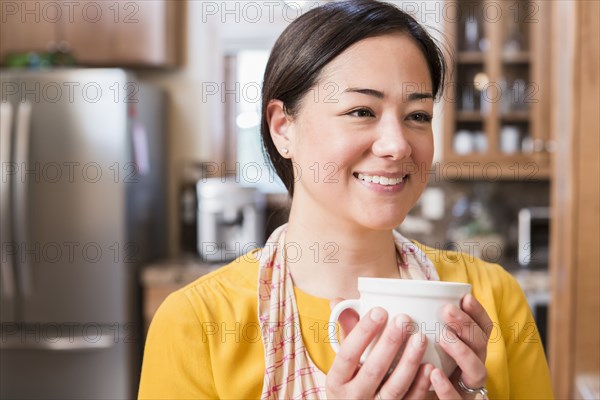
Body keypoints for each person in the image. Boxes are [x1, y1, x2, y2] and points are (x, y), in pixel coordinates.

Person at [138, 1, 554, 399]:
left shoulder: (490, 299)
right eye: (361, 111)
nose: (397, 145)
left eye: (417, 116)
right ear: (283, 127)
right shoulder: (197, 323)